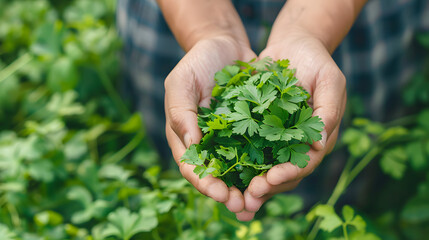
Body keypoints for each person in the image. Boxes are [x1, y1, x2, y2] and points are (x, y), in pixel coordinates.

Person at [117, 0, 429, 221]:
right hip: (181, 16)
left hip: (351, 20)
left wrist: (309, 30)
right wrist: (208, 32)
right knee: (185, 141)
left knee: (353, 185)